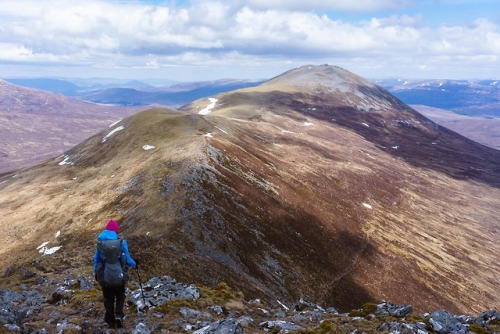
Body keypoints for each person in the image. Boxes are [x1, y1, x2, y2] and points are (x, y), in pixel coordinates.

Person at [93, 219, 137, 328]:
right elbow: (127, 259)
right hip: (119, 276)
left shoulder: (100, 244)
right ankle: (118, 315)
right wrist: (134, 264)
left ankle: (110, 321)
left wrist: (96, 274)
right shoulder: (121, 242)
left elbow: (96, 260)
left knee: (108, 298)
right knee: (120, 296)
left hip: (105, 277)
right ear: (116, 231)